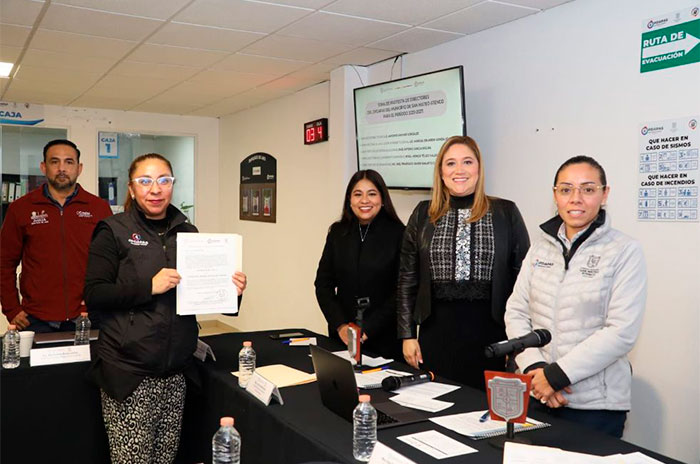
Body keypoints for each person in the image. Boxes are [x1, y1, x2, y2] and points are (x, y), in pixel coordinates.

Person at [84, 153, 247, 463]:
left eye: (163, 180)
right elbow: (95, 294)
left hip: (175, 372)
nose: (155, 189)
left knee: (165, 458)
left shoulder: (188, 232)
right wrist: (149, 287)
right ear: (131, 189)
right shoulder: (112, 230)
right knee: (133, 459)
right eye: (145, 181)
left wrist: (232, 293)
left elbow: (203, 297)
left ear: (173, 185)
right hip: (129, 372)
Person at [504, 156, 647, 438]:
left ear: (605, 194)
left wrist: (556, 376)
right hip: (537, 394)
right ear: (555, 195)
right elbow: (517, 311)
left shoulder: (625, 250)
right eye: (566, 189)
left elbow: (621, 332)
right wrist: (536, 370)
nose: (576, 199)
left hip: (595, 407)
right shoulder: (540, 248)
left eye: (588, 189)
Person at [397, 136, 530, 390]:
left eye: (467, 162)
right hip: (435, 334)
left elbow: (523, 284)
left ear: (478, 168)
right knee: (436, 406)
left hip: (491, 336)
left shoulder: (506, 212)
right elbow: (407, 279)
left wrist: (516, 343)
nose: (459, 170)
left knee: (484, 413)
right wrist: (406, 335)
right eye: (450, 163)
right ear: (441, 172)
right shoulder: (422, 213)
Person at [1, 139, 112, 332]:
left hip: (88, 316)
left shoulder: (99, 208)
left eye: (69, 162)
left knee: (92, 363)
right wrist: (12, 308)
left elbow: (112, 262)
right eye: (55, 162)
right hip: (36, 320)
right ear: (44, 167)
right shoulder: (21, 208)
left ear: (79, 168)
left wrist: (101, 304)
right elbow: (4, 262)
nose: (62, 168)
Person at [315, 170, 405, 360]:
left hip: (384, 338)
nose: (365, 200)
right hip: (342, 336)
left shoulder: (399, 234)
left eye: (372, 194)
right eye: (358, 194)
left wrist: (368, 329)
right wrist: (340, 325)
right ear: (349, 199)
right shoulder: (338, 233)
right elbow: (323, 284)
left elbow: (402, 291)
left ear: (382, 198)